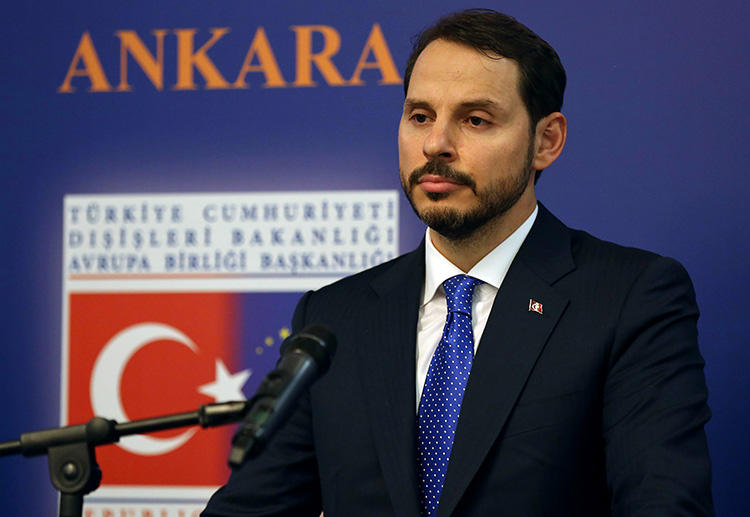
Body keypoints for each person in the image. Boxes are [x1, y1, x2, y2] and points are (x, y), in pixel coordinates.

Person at [202, 9, 713, 516]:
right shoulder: (335, 316)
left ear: (546, 141)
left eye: (475, 120)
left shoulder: (629, 298)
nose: (435, 145)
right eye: (420, 116)